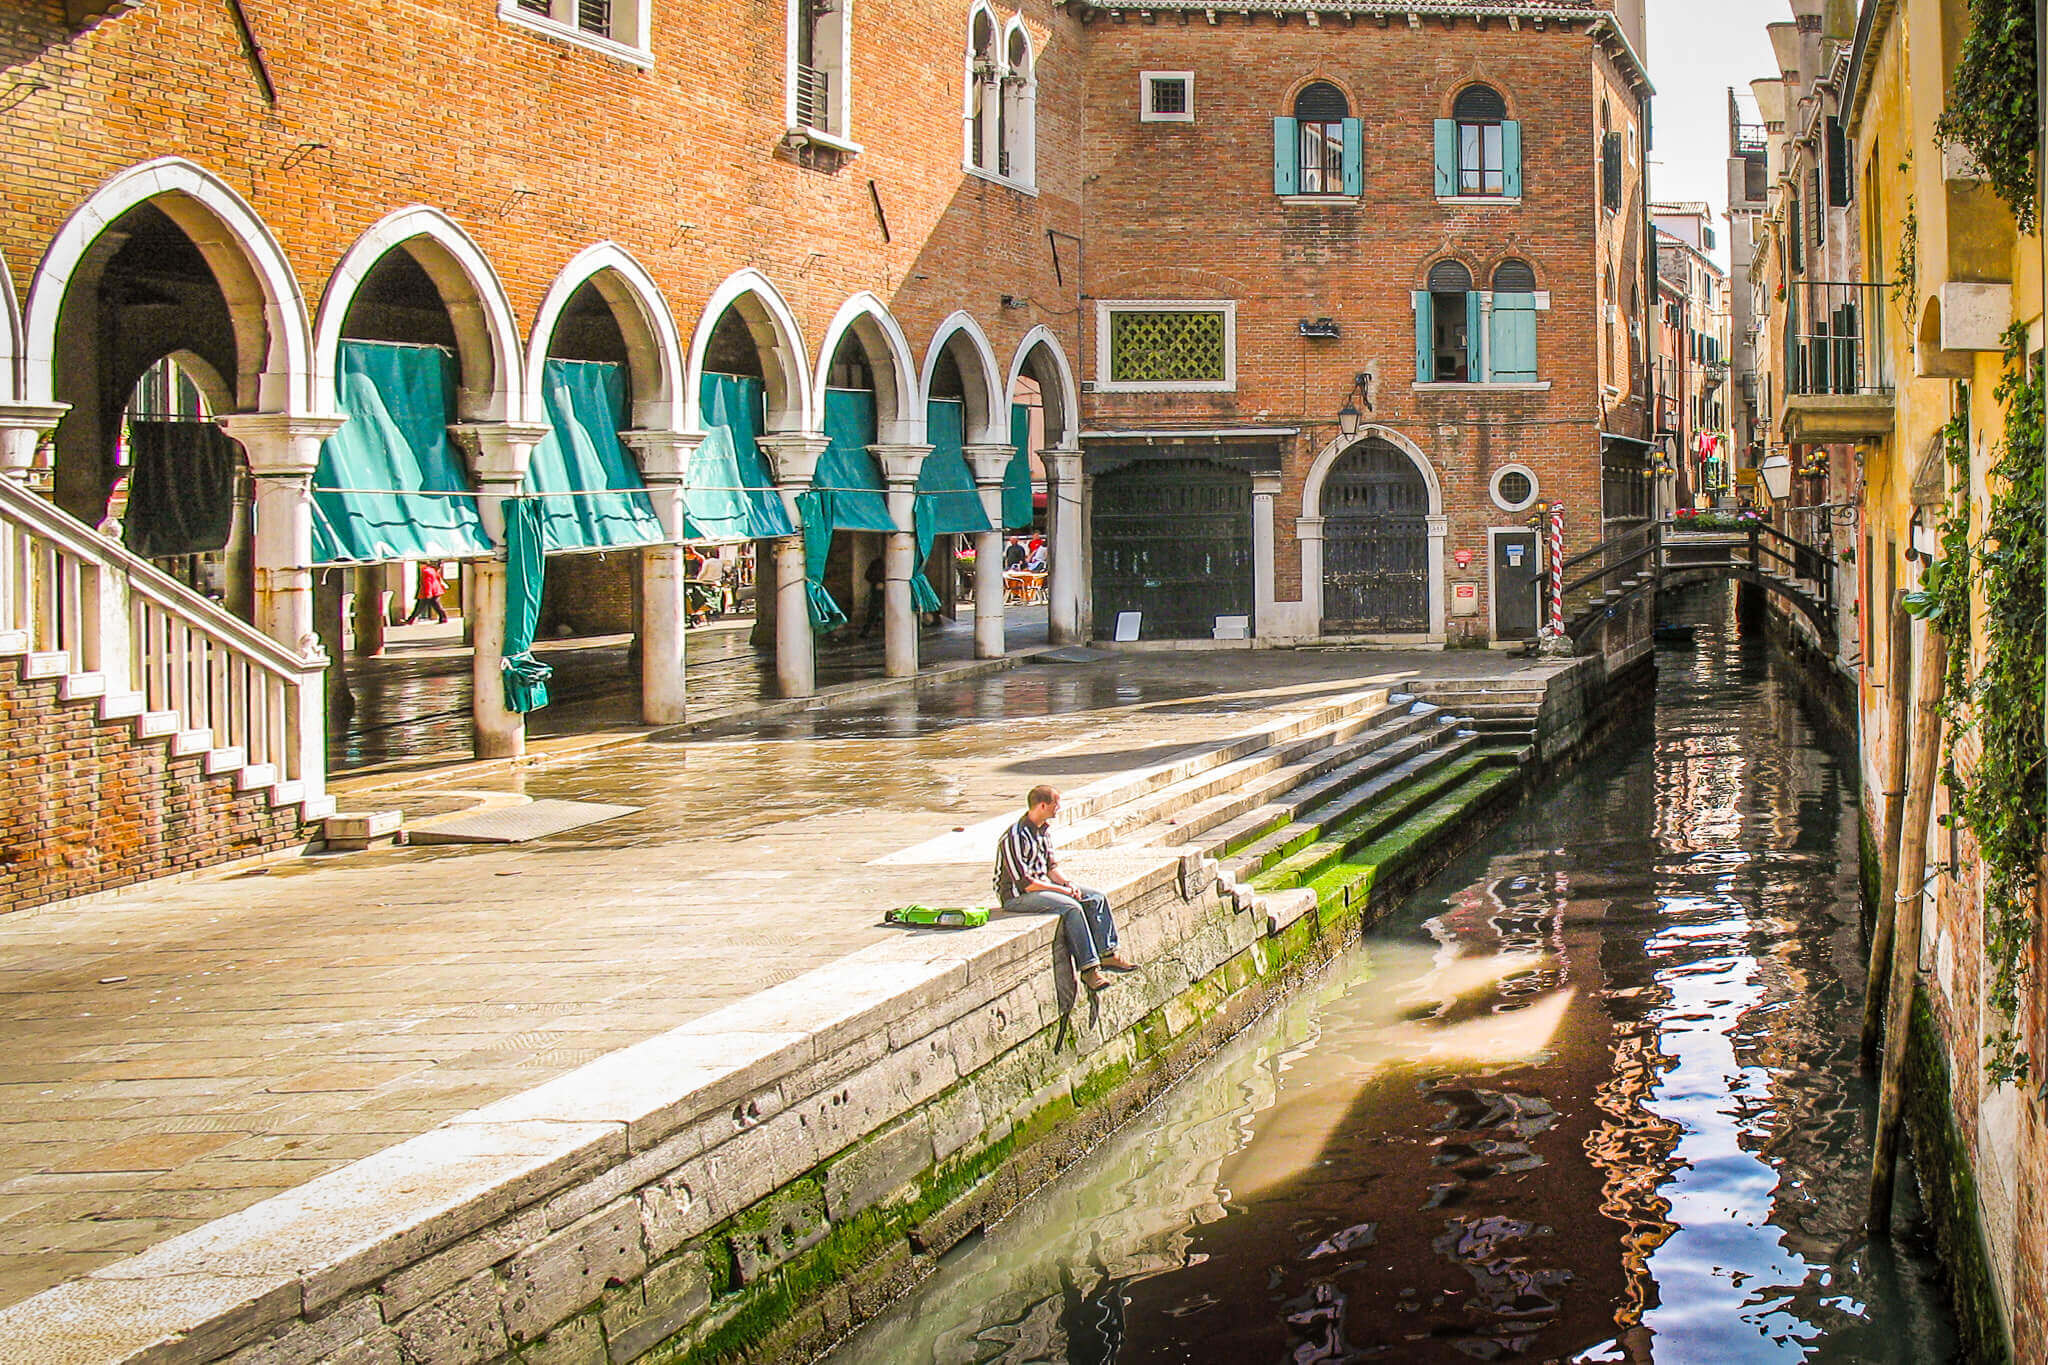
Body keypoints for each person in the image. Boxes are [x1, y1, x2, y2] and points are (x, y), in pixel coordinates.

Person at [995, 785, 1137, 993]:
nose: (1059, 808)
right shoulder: (1015, 837)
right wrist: (1062, 892)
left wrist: (1067, 884)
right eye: (1056, 804)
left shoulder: (1043, 831)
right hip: (1018, 896)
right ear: (1042, 806)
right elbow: (1025, 883)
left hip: (1042, 885)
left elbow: (1051, 868)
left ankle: (1108, 953)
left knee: (1095, 898)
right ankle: (1089, 969)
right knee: (1071, 907)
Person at [858, 551, 887, 638]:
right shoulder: (876, 563)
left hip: (891, 591)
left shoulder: (895, 562)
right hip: (878, 592)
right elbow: (868, 575)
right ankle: (866, 631)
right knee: (873, 611)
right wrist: (877, 582)